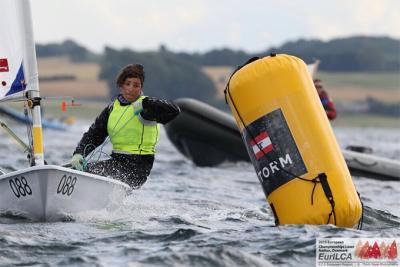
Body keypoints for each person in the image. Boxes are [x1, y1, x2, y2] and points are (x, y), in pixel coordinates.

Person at [71, 64, 180, 188]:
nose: (131, 88)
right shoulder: (112, 108)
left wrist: (146, 103)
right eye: (127, 84)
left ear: (141, 87)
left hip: (138, 167)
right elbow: (94, 134)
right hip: (117, 161)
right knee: (81, 172)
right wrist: (79, 153)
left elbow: (174, 110)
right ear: (121, 85)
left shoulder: (147, 108)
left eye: (136, 85)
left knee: (94, 174)